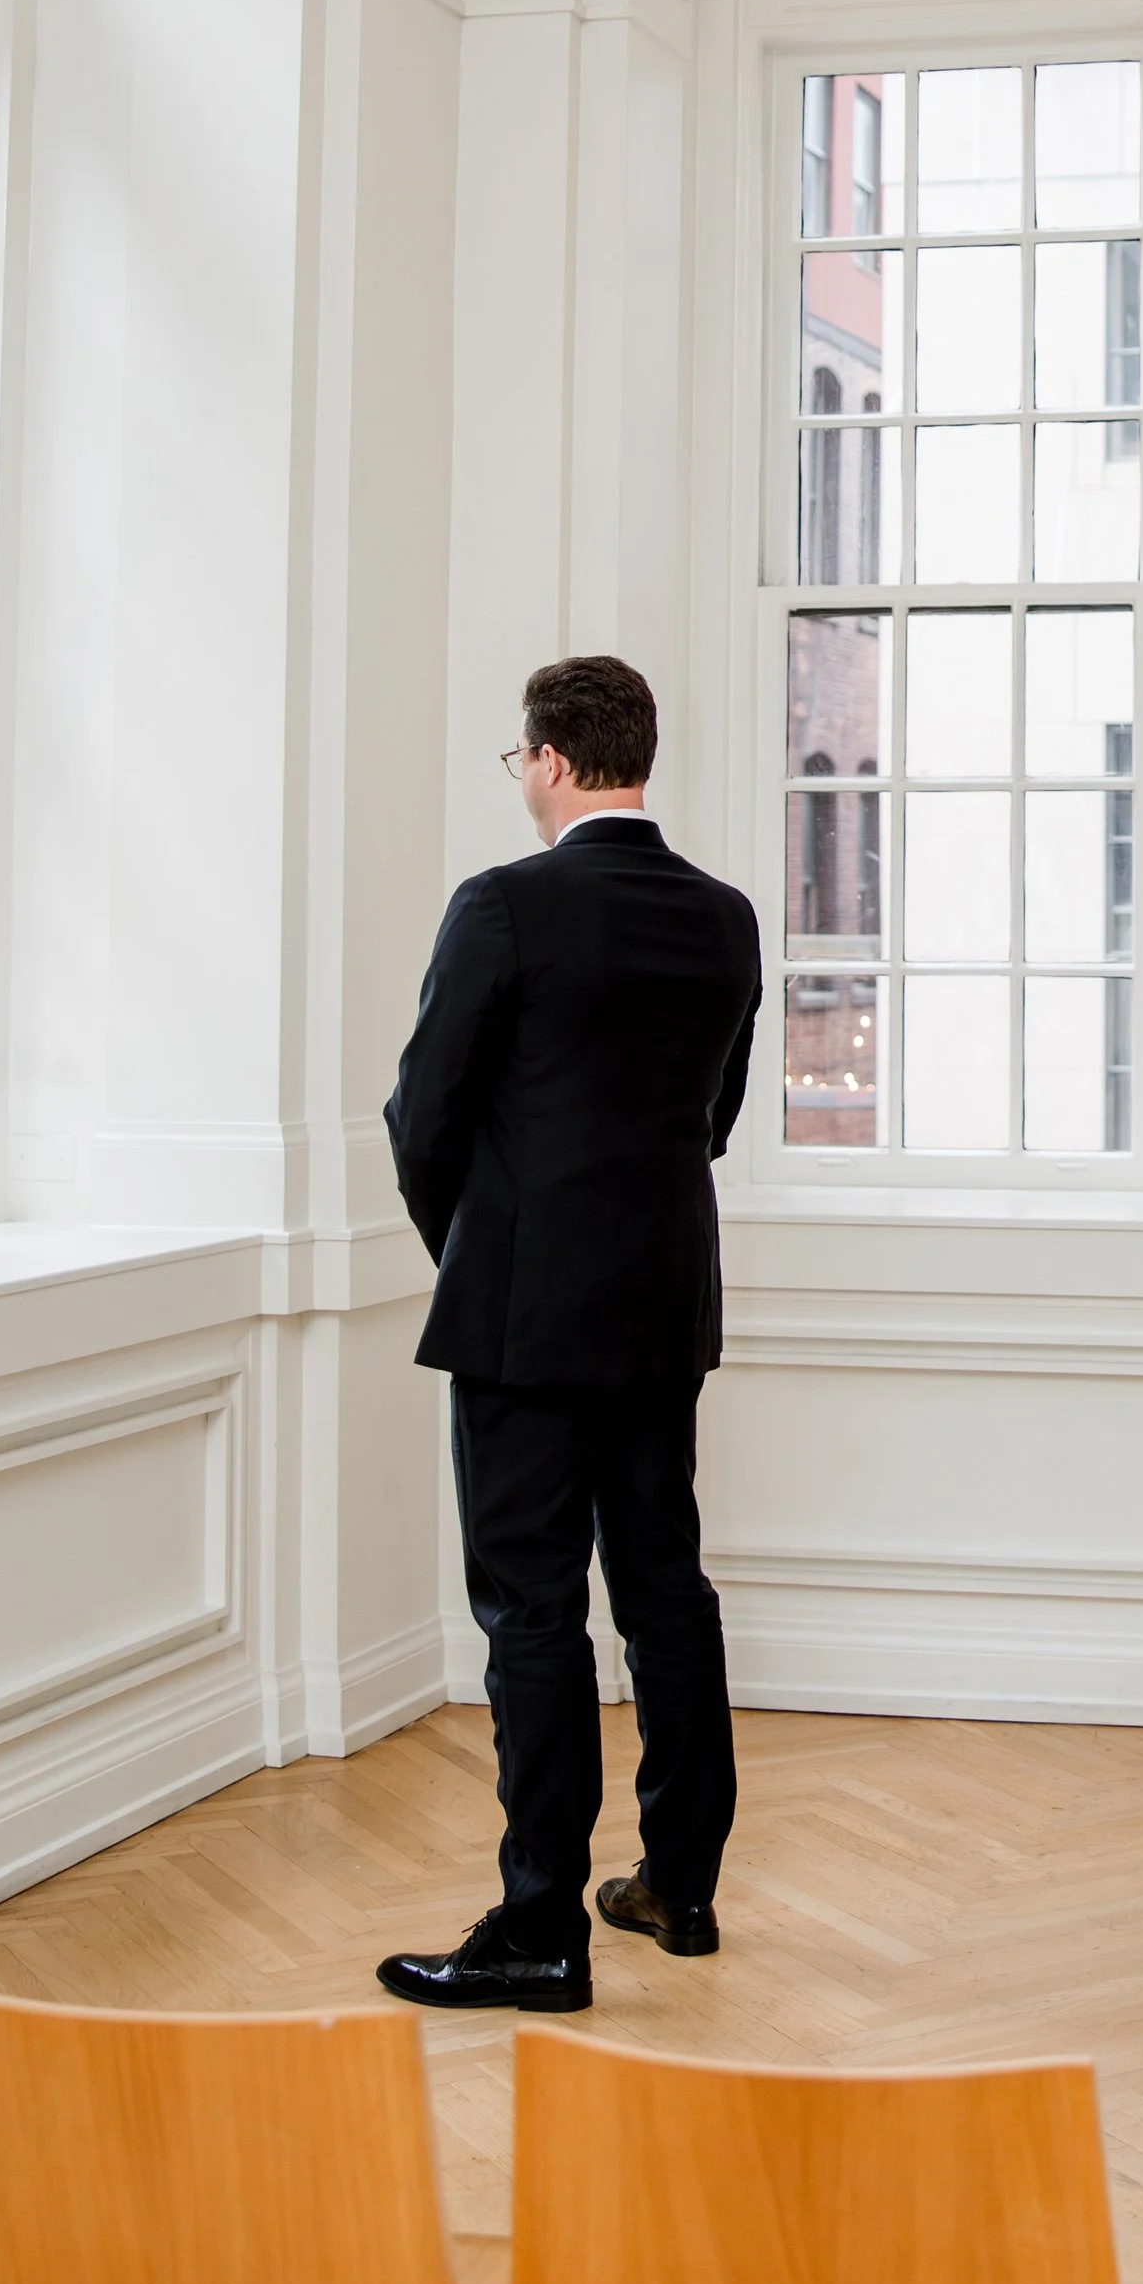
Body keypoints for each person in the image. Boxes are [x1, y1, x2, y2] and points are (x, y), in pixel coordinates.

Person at [376, 655, 761, 2014]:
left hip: (526, 1318)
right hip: (663, 1305)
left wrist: (479, 1246)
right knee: (664, 1585)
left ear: (546, 761)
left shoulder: (503, 905)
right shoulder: (725, 918)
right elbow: (709, 1122)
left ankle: (541, 1924)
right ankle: (682, 1882)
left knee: (531, 1611)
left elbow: (424, 1114)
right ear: (636, 756)